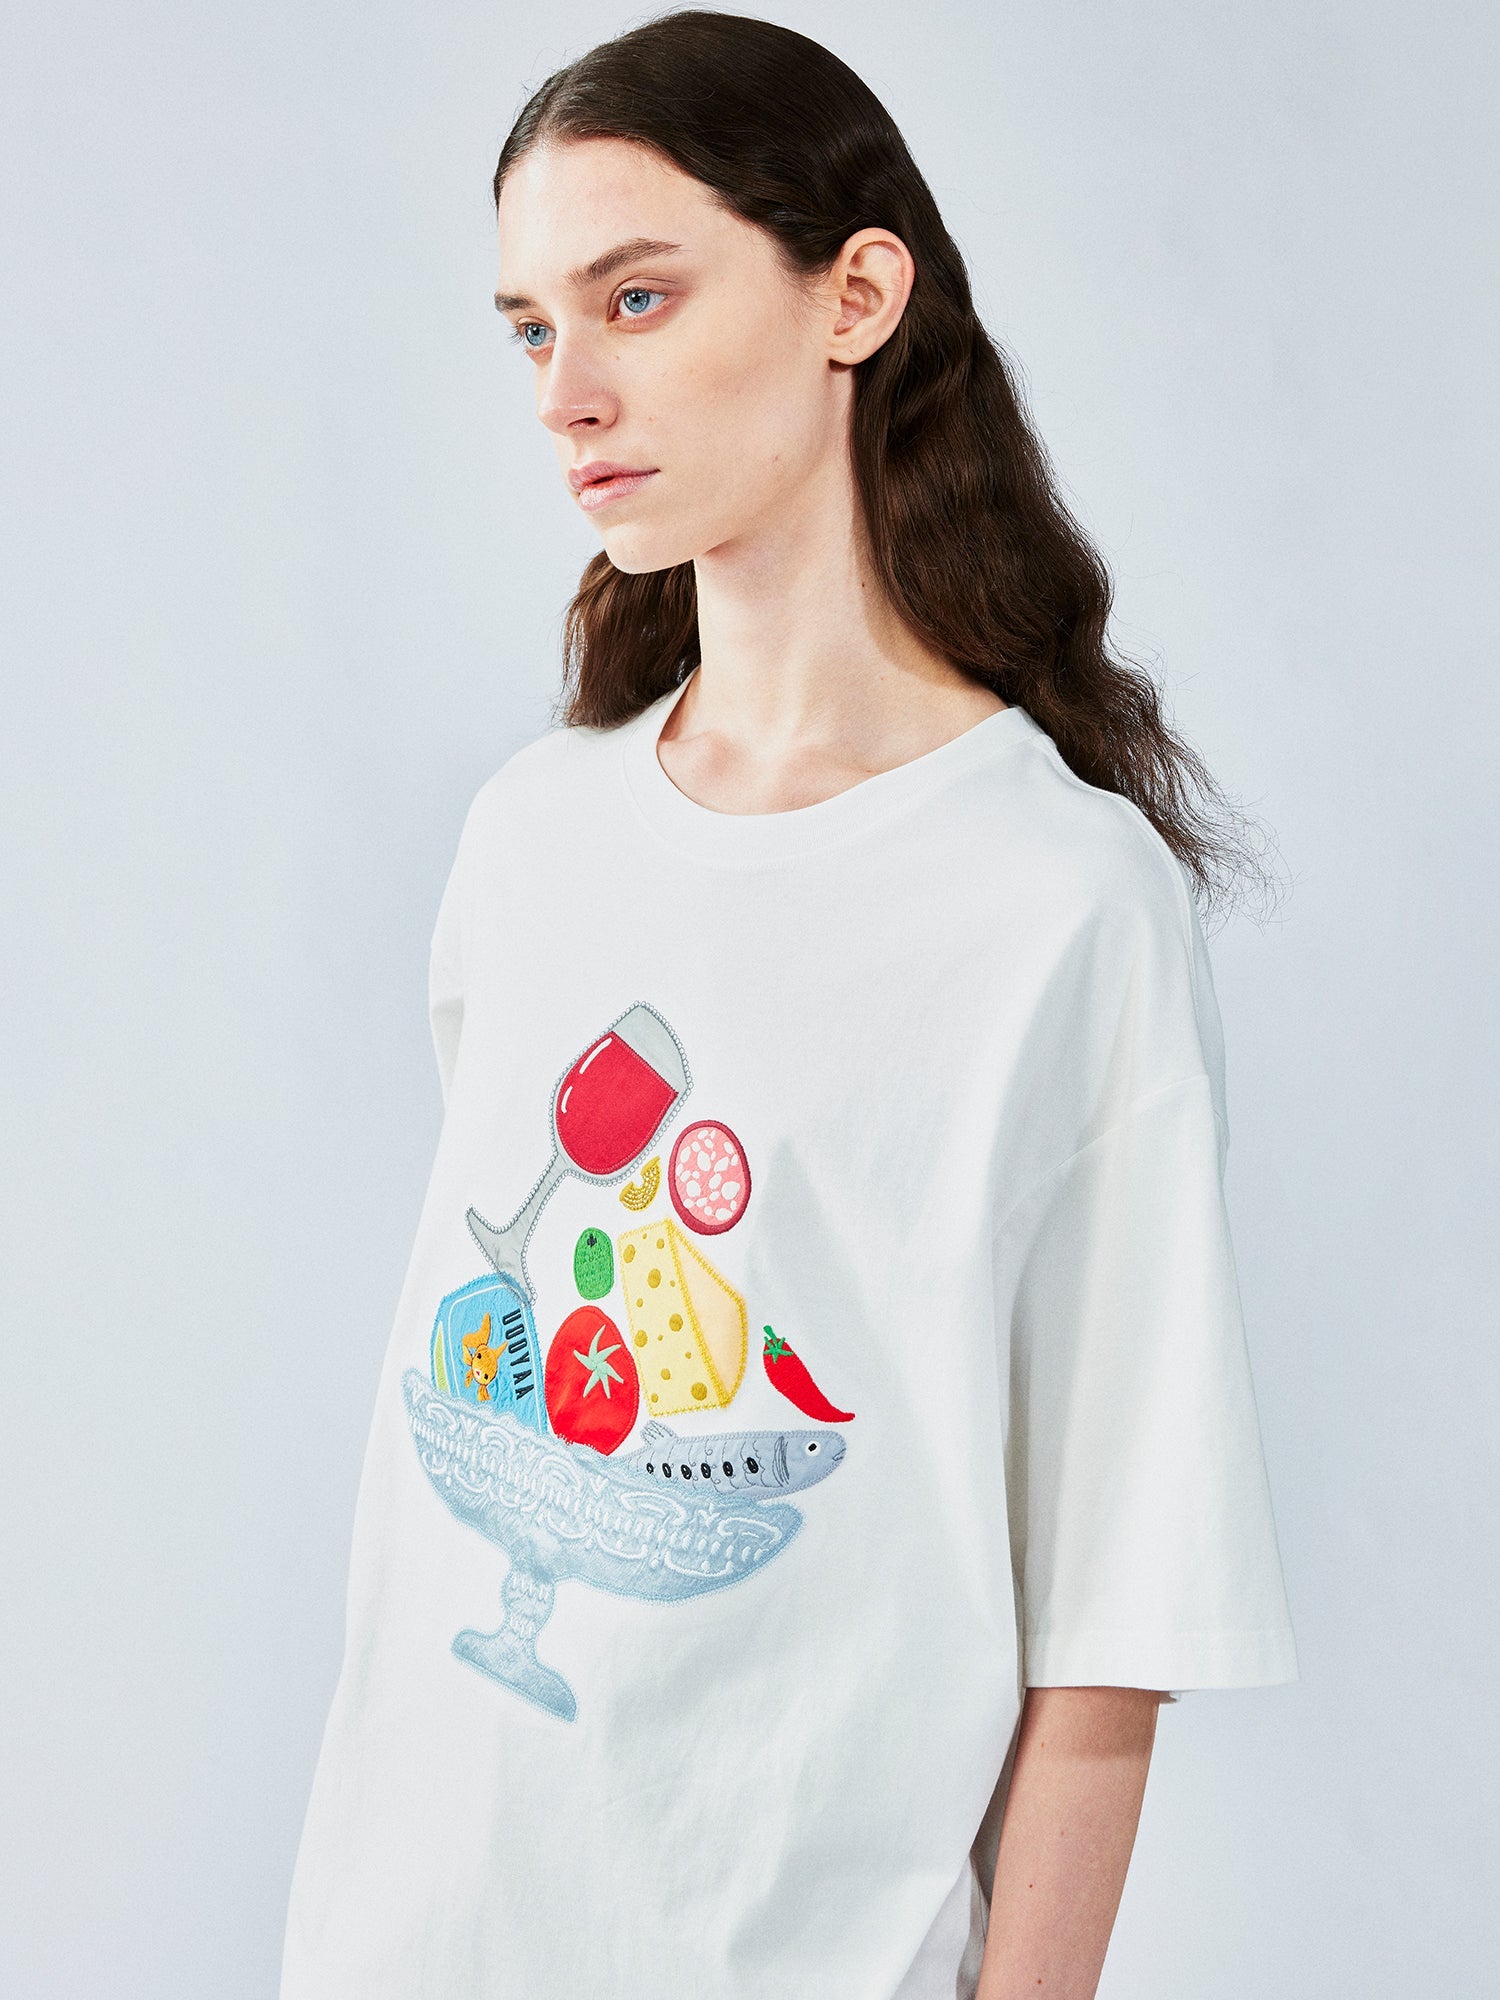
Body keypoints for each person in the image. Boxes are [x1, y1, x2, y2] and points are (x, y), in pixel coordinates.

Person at [278, 13, 1299, 1998]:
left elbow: (1115, 1615)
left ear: (857, 294)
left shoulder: (1057, 902)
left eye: (635, 298)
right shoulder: (535, 837)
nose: (567, 392)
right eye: (531, 328)